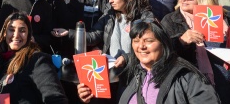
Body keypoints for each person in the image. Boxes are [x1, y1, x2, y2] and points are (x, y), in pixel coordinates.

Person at [54, 0, 153, 103]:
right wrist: (70, 33)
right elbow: (94, 35)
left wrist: (127, 57)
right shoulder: (110, 14)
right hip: (111, 74)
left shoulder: (144, 15)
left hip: (136, 75)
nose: (110, 0)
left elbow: (150, 40)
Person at [78, 19, 220, 103]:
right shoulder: (129, 75)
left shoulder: (187, 78)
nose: (141, 46)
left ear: (163, 43)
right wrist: (91, 98)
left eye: (149, 41)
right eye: (136, 41)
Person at [161, 0, 230, 103]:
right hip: (193, 83)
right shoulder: (170, 20)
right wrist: (181, 41)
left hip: (225, 81)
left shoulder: (225, 18)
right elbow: (162, 51)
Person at [0, 12, 68, 103]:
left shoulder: (37, 60)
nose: (16, 35)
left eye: (22, 31)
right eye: (11, 29)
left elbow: (56, 99)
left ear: (28, 36)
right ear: (4, 33)